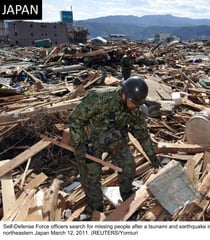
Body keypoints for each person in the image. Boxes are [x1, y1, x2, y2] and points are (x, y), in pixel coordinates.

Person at [66, 76, 160, 215]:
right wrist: (80, 144)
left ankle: (127, 195)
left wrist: (152, 155)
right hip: (91, 139)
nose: (133, 106)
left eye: (136, 104)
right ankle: (97, 208)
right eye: (132, 103)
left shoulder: (134, 107)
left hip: (114, 137)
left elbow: (142, 133)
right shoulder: (100, 98)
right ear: (123, 94)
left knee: (128, 165)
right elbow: (74, 120)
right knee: (91, 174)